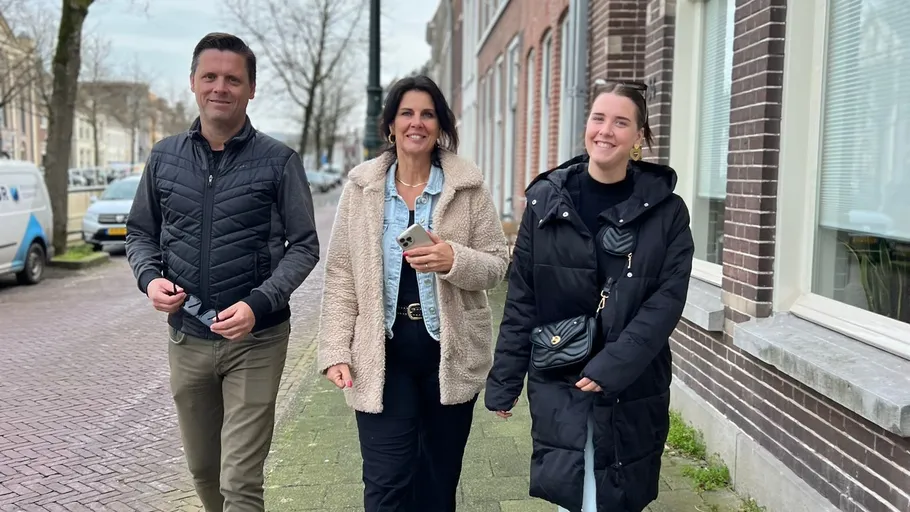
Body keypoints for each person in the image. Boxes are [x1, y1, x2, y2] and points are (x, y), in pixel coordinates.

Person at [125, 32, 319, 512]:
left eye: (233, 79)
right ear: (193, 82)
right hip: (187, 338)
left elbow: (305, 247)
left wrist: (258, 305)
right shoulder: (164, 156)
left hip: (256, 341)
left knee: (240, 481)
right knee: (204, 471)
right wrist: (150, 279)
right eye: (209, 76)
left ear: (251, 89)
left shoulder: (279, 161)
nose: (220, 87)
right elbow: (140, 233)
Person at [484, 79, 695, 512]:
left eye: (621, 122)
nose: (606, 131)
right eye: (599, 118)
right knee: (571, 491)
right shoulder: (545, 202)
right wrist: (505, 380)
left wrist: (612, 366)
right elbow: (523, 297)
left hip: (632, 382)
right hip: (560, 373)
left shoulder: (668, 211)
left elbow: (666, 301)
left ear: (639, 137)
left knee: (617, 492)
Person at [316, 75, 509, 511]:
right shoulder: (361, 189)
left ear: (440, 125)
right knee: (386, 485)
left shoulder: (468, 188)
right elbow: (342, 274)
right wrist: (335, 350)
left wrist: (453, 258)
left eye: (427, 114)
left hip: (449, 355)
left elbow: (497, 265)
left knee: (437, 485)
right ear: (391, 125)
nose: (416, 123)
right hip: (382, 356)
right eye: (406, 113)